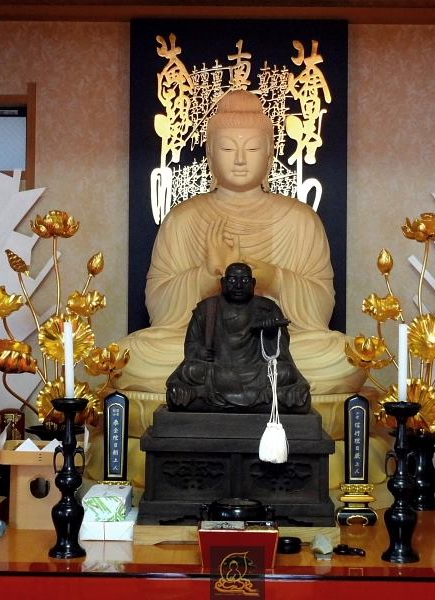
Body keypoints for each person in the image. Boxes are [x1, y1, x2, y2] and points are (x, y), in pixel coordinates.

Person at [115, 90, 365, 400]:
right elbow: (158, 307)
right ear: (210, 153)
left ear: (270, 153)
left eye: (253, 148)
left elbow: (321, 308)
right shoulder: (183, 218)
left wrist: (273, 278)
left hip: (274, 344)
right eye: (227, 148)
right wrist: (207, 275)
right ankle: (268, 390)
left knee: (343, 355)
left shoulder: (301, 219)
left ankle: (212, 390)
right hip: (207, 347)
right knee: (131, 355)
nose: (240, 159)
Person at [167, 262, 310, 413]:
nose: (239, 286)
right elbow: (191, 346)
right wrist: (200, 352)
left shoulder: (268, 308)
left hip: (255, 371)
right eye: (232, 280)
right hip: (217, 370)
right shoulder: (206, 308)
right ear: (223, 282)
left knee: (286, 372)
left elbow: (280, 353)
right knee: (189, 370)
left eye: (245, 280)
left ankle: (200, 394)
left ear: (253, 283)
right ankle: (271, 397)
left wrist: (270, 333)